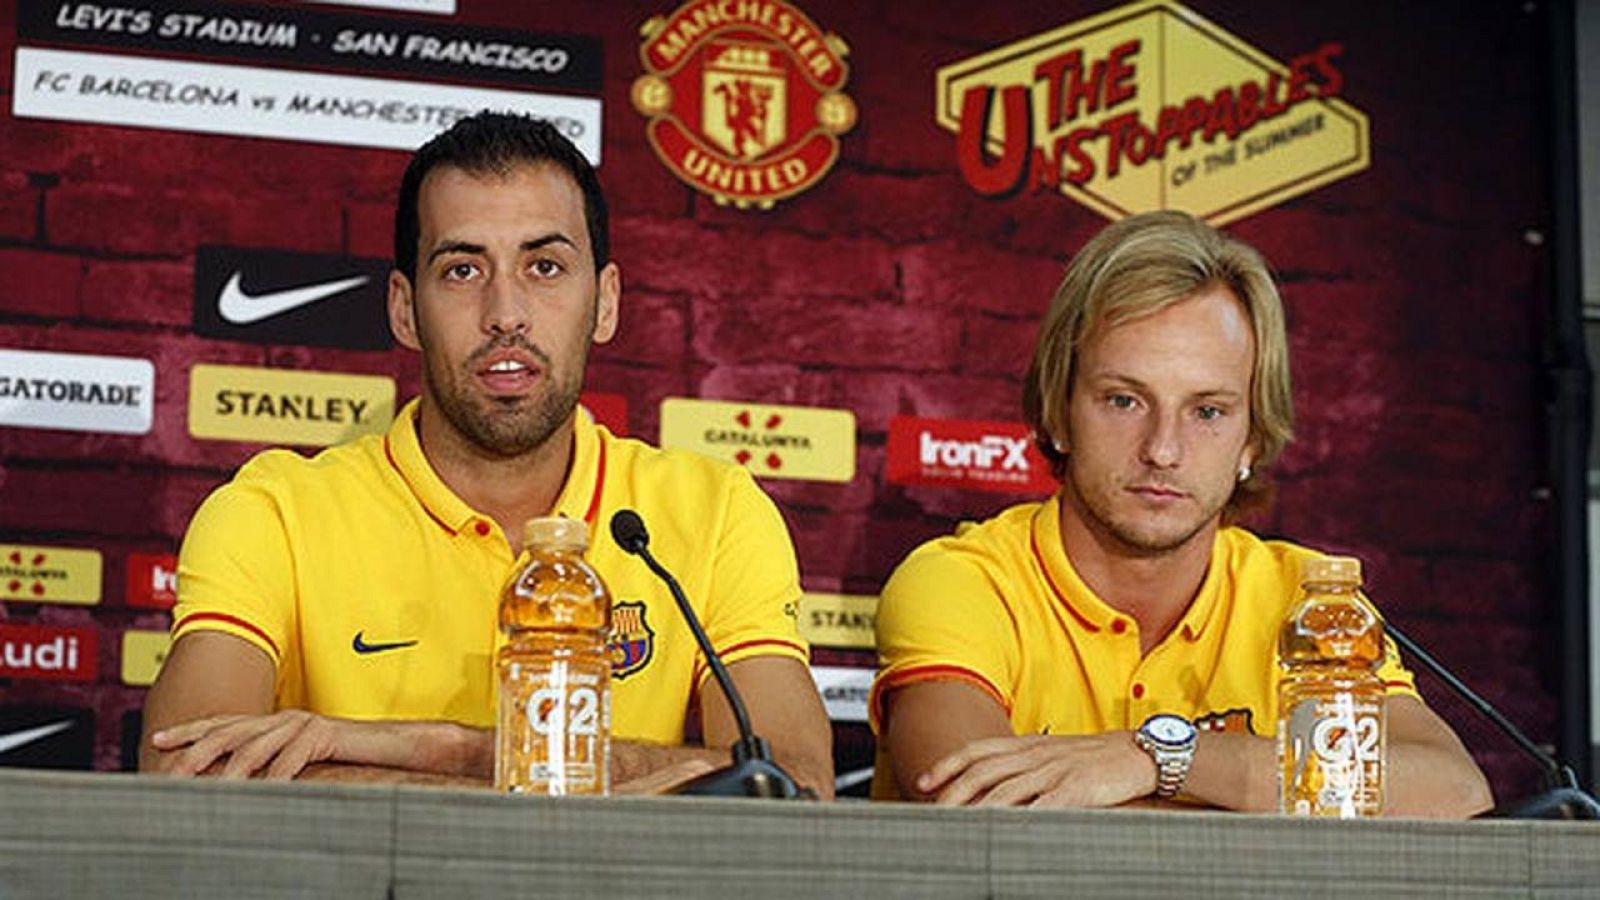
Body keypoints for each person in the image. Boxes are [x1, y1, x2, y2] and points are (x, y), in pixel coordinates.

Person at [140, 112, 833, 796]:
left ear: (607, 302)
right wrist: (596, 777)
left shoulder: (715, 513)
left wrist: (432, 747)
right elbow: (187, 773)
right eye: (463, 269)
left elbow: (793, 787)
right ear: (405, 310)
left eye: (546, 266)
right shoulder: (276, 512)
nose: (506, 312)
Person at [870, 211, 1491, 816]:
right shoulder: (965, 582)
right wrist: (1270, 793)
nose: (1163, 450)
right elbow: (979, 808)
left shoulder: (1304, 599)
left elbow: (1452, 790)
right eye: (1123, 400)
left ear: (1253, 437)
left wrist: (1159, 759)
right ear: (1058, 412)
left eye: (1208, 411)